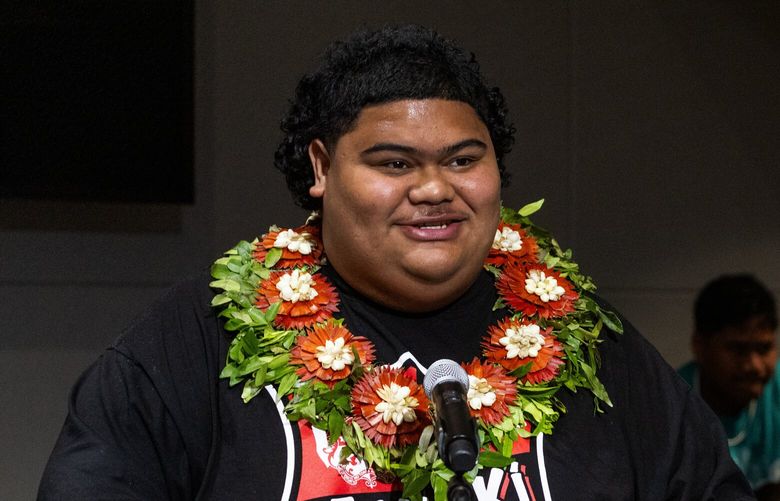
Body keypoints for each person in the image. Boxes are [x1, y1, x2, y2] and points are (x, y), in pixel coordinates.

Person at [39, 25, 753, 500]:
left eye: (464, 160)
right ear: (321, 168)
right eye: (394, 162)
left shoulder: (592, 347)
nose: (435, 189)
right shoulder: (192, 343)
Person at [679, 274, 779, 500]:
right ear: (700, 346)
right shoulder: (673, 406)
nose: (754, 366)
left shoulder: (777, 389)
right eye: (738, 350)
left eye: (764, 349)